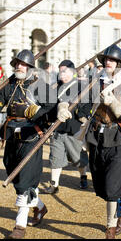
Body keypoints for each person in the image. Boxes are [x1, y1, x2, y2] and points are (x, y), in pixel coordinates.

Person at [0, 49, 56, 239]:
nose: (18, 66)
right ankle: (39, 206)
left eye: (22, 64)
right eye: (16, 63)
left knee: (24, 178)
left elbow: (52, 109)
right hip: (12, 135)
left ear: (30, 67)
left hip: (32, 135)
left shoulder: (41, 86)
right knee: (13, 173)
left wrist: (36, 111)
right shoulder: (10, 85)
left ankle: (20, 225)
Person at [82, 44, 121, 239]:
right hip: (97, 139)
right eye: (106, 60)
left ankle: (110, 226)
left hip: (118, 139)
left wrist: (115, 104)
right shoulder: (95, 82)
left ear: (119, 64)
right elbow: (83, 108)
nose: (108, 62)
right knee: (101, 186)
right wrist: (67, 107)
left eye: (112, 60)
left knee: (111, 187)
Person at [44, 60, 92, 194]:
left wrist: (79, 114)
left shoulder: (81, 87)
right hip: (57, 128)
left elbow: (88, 105)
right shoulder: (55, 87)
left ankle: (83, 176)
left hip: (74, 128)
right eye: (60, 71)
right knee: (55, 157)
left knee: (78, 157)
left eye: (64, 71)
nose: (61, 74)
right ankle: (54, 185)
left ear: (72, 72)